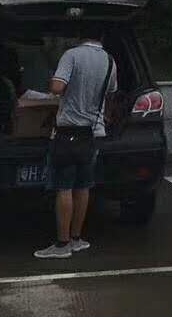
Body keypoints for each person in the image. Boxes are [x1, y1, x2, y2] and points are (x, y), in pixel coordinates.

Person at [33, 29, 117, 259]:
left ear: (80, 36)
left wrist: (54, 80)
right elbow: (110, 92)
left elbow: (57, 88)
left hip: (68, 132)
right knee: (83, 186)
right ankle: (77, 239)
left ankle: (62, 245)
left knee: (64, 187)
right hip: (92, 133)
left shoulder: (71, 55)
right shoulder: (110, 61)